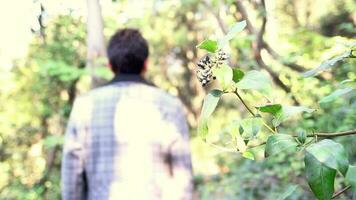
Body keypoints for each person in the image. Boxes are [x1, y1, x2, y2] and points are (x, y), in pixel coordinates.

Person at [61, 29, 193, 200]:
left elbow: (72, 177)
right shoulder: (170, 106)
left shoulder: (85, 106)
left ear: (110, 65)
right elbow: (182, 180)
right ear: (146, 64)